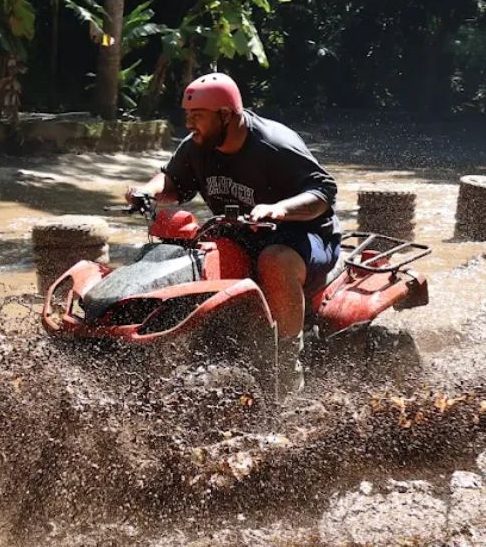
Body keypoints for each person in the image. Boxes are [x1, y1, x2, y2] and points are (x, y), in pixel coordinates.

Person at [125, 72, 340, 394]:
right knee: (197, 257)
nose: (189, 124)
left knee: (274, 259)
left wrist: (281, 209)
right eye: (187, 116)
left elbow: (324, 193)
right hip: (241, 233)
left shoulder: (274, 145)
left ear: (225, 115)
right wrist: (147, 192)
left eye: (196, 116)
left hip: (304, 237)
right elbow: (173, 181)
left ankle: (286, 364)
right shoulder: (198, 145)